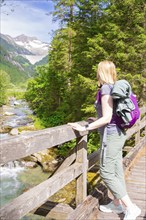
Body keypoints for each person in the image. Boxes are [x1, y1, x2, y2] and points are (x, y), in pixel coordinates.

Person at [68, 60, 141, 220]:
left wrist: (85, 128)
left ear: (101, 72)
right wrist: (96, 119)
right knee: (115, 169)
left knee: (106, 172)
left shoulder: (106, 89)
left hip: (111, 136)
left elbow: (107, 118)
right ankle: (116, 203)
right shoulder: (113, 88)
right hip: (118, 133)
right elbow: (111, 114)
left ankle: (130, 207)